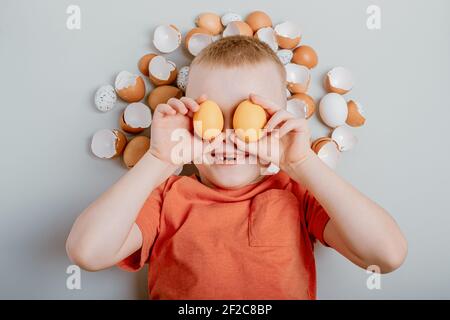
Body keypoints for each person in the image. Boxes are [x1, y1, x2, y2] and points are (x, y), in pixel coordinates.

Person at [66, 36, 407, 299]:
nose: (228, 137)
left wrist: (301, 163)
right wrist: (158, 161)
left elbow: (387, 255)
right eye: (209, 115)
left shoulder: (297, 195)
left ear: (279, 121)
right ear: (189, 120)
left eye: (250, 117)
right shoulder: (167, 197)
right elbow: (87, 252)